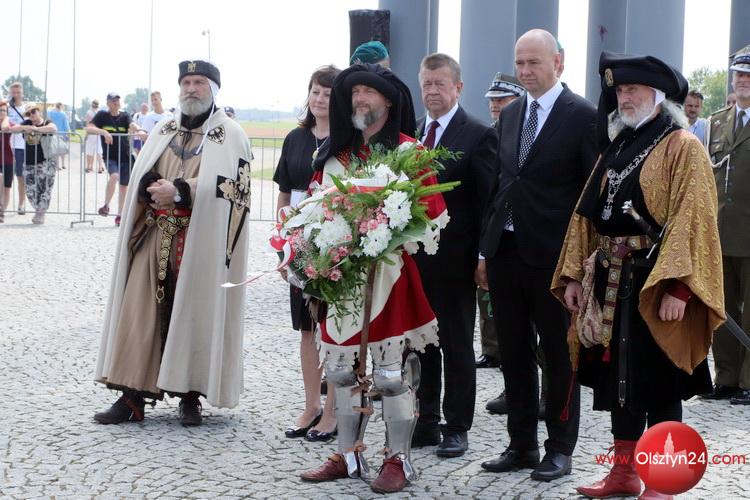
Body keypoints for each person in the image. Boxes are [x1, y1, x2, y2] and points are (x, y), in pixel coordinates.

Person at [552, 51, 724, 500]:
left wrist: (680, 289)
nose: (623, 98)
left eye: (632, 90)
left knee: (661, 382)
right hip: (611, 282)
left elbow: (696, 219)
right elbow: (586, 215)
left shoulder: (683, 146)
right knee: (619, 383)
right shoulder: (617, 145)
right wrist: (574, 276)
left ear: (657, 95)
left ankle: (664, 481)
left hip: (657, 282)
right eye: (620, 92)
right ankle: (624, 473)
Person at [299, 63, 446, 494]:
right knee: (340, 371)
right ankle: (347, 455)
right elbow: (313, 209)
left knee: (390, 376)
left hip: (390, 279)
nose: (360, 98)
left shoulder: (410, 152)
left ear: (388, 101)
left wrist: (387, 233)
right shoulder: (336, 155)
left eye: (369, 91)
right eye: (355, 92)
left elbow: (434, 214)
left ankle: (398, 460)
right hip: (343, 280)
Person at [94, 60, 253, 426]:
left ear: (213, 89)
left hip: (202, 242)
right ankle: (132, 395)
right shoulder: (164, 128)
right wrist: (151, 184)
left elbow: (235, 190)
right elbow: (142, 170)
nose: (191, 89)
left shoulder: (230, 134)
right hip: (155, 234)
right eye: (186, 82)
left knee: (196, 312)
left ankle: (190, 395)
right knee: (140, 312)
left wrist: (182, 191)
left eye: (199, 82)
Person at [478, 29, 597, 481]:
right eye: (520, 63)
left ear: (558, 63)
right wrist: (485, 251)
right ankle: (521, 443)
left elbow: (589, 198)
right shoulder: (511, 115)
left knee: (560, 357)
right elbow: (499, 185)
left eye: (534, 62)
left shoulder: (582, 116)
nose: (525, 71)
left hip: (555, 260)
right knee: (513, 353)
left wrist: (579, 269)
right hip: (506, 253)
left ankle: (560, 448)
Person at [411, 53, 497, 458]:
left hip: (457, 260)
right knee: (420, 342)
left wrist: (483, 256)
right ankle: (425, 418)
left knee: (456, 344)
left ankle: (457, 425)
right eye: (426, 84)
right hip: (417, 262)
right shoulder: (414, 135)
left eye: (440, 84)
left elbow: (487, 202)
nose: (432, 91)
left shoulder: (478, 134)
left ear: (458, 88)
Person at [273, 65, 340, 443]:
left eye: (328, 93)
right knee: (306, 327)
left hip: (332, 242)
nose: (320, 99)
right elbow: (284, 193)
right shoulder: (295, 139)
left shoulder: (347, 141)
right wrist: (281, 243)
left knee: (333, 328)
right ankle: (311, 404)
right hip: (298, 242)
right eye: (316, 91)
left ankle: (333, 411)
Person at [704, 52, 750, 405]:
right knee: (722, 309)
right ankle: (727, 378)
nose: (742, 80)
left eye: (748, 75)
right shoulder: (716, 123)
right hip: (720, 232)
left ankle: (749, 381)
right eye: (738, 74)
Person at [477, 72, 524, 371]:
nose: (495, 105)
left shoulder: (519, 131)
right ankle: (492, 350)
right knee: (487, 298)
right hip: (493, 227)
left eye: (502, 99)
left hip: (519, 232)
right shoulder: (490, 132)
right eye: (492, 100)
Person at [86, 92, 141, 226]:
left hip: (125, 156)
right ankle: (106, 205)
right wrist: (104, 132)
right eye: (113, 100)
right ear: (108, 103)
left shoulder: (125, 115)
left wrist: (140, 130)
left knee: (123, 187)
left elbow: (132, 125)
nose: (116, 102)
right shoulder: (102, 115)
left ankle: (120, 215)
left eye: (118, 100)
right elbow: (89, 128)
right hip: (110, 156)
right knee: (114, 176)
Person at [9, 106, 58, 224]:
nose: (31, 115)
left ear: (39, 112)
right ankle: (39, 209)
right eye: (28, 114)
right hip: (29, 163)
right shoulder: (27, 123)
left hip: (46, 162)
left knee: (45, 189)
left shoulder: (47, 122)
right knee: (30, 189)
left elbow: (53, 128)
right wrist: (25, 127)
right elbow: (13, 129)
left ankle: (40, 213)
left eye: (33, 112)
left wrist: (36, 129)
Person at [7, 82, 27, 214]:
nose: (16, 95)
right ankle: (3, 204)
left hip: (21, 147)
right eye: (13, 92)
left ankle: (21, 203)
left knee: (20, 177)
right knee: (5, 177)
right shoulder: (6, 107)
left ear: (22, 92)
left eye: (18, 92)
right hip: (7, 146)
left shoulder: (27, 108)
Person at [0, 101, 14, 222]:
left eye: (4, 110)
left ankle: (2, 212)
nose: (1, 112)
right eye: (0, 110)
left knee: (7, 187)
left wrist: (6, 118)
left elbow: (5, 128)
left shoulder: (9, 123)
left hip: (8, 160)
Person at [47, 103, 71, 170]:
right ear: (61, 107)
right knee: (63, 149)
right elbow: (66, 125)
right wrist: (68, 133)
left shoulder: (50, 113)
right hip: (62, 133)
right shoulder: (63, 114)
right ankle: (63, 164)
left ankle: (58, 165)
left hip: (53, 133)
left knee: (56, 150)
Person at [85, 100, 105, 173]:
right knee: (99, 151)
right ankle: (100, 166)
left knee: (89, 150)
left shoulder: (89, 112)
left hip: (91, 133)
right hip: (99, 133)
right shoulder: (100, 113)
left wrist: (87, 133)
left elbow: (88, 124)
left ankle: (89, 166)